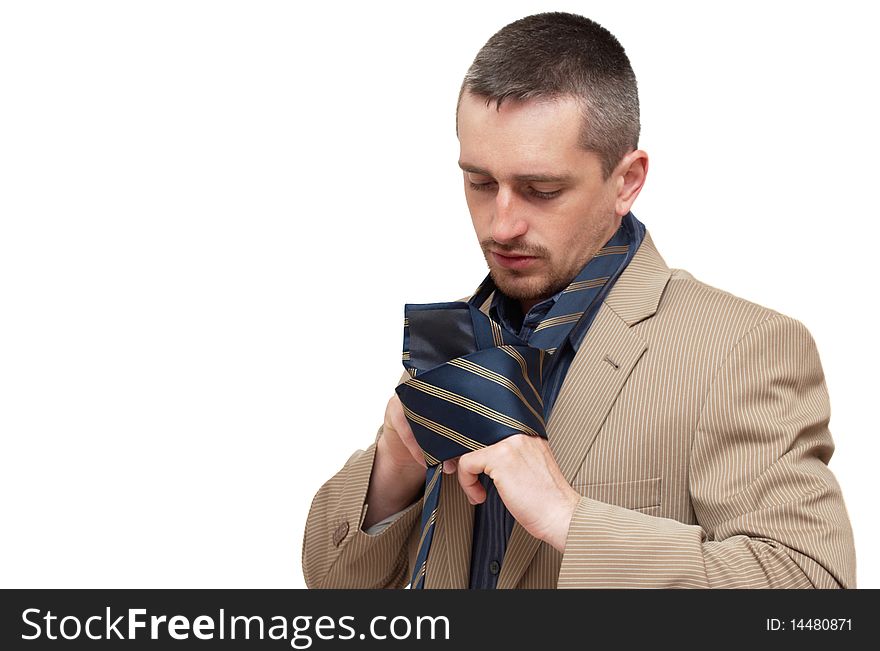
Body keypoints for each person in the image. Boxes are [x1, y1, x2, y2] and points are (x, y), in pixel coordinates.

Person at [301, 12, 856, 589]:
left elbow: (813, 598)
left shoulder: (743, 349)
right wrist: (393, 467)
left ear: (627, 181)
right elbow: (331, 585)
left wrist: (571, 520)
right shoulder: (458, 338)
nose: (503, 224)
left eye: (543, 190)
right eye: (481, 183)